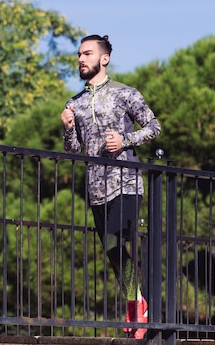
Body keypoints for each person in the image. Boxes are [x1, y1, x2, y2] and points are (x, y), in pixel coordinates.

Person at [60, 34, 161, 339]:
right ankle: (135, 303)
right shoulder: (73, 104)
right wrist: (67, 130)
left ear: (103, 59)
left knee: (120, 240)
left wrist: (125, 140)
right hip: (95, 187)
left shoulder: (125, 93)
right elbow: (73, 151)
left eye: (87, 54)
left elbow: (154, 127)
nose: (81, 59)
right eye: (79, 54)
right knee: (113, 250)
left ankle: (138, 305)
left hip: (126, 182)